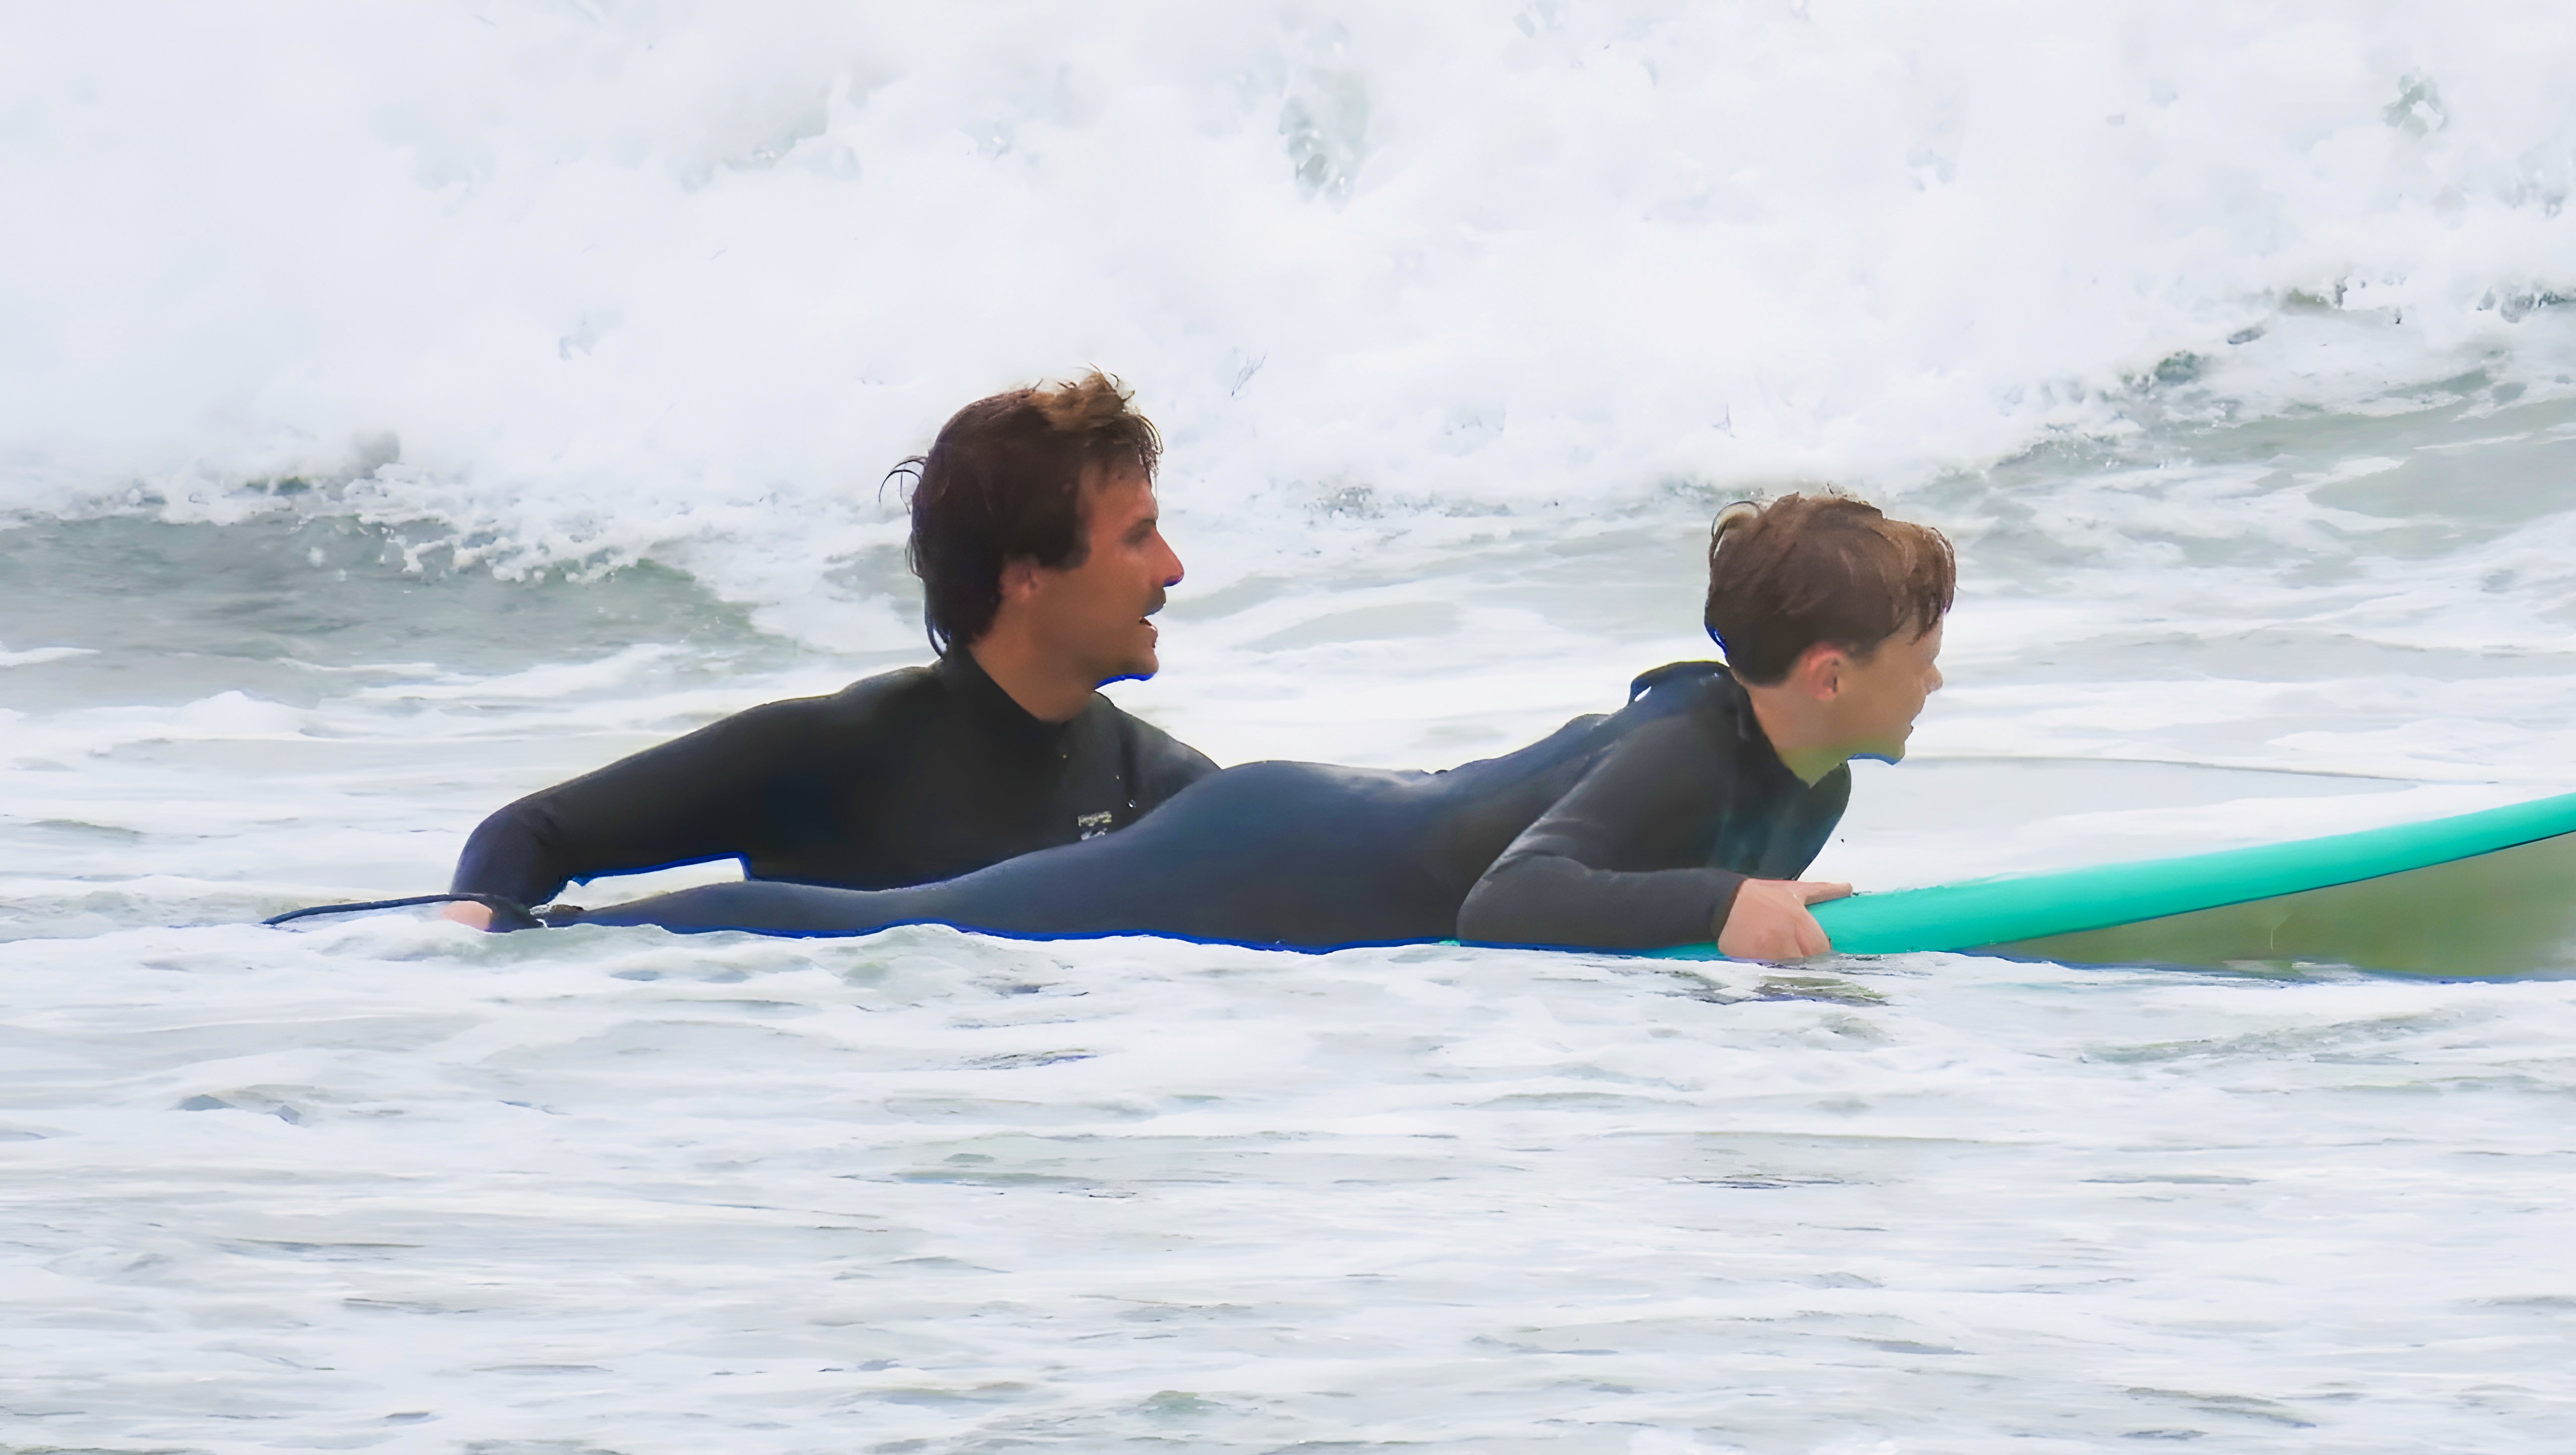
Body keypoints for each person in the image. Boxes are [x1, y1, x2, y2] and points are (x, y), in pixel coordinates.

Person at [558, 493, 1952, 961]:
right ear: (1827, 672)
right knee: (919, 925)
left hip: (1324, 859)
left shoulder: (1808, 773)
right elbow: (1513, 904)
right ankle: (557, 939)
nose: (1937, 683)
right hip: (1275, 850)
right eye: (1920, 653)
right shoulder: (1696, 748)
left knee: (938, 917)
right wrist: (1725, 909)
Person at [444, 374, 1215, 927]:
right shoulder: (836, 757)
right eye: (1138, 537)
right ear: (1026, 578)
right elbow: (529, 837)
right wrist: (471, 975)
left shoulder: (1161, 790)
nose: (1171, 569)